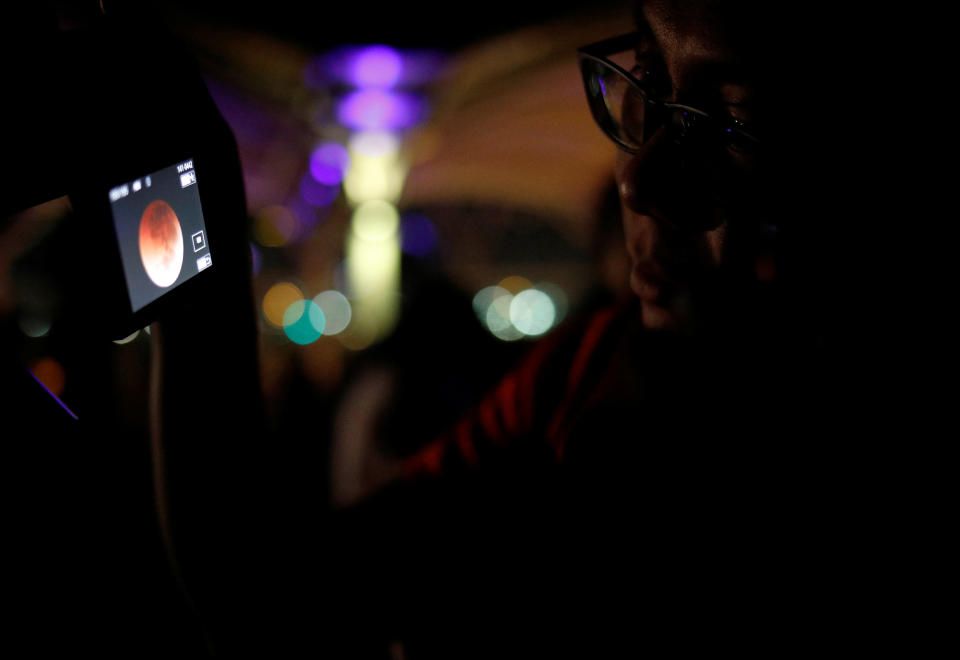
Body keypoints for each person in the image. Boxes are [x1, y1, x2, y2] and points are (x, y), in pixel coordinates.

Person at [150, 0, 812, 654]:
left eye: (732, 121)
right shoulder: (583, 371)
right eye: (647, 78)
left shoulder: (588, 383)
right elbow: (276, 597)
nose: (637, 179)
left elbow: (271, 603)